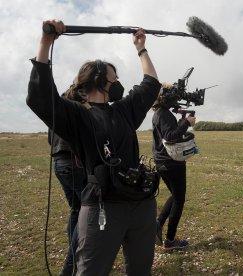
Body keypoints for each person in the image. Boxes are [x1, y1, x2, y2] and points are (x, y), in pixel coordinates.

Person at [27, 19, 161, 275]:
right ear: (99, 80)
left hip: (142, 204)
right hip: (103, 207)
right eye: (115, 78)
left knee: (141, 269)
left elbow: (151, 85)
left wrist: (141, 48)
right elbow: (41, 96)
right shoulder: (76, 115)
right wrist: (45, 42)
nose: (119, 82)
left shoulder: (123, 110)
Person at [151, 86, 196, 250]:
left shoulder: (160, 113)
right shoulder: (163, 114)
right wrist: (186, 123)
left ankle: (158, 224)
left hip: (162, 161)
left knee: (175, 195)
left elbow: (168, 133)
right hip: (171, 162)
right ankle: (170, 241)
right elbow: (170, 137)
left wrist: (181, 122)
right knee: (179, 199)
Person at [49, 129, 86, 276]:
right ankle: (70, 265)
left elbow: (50, 140)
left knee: (76, 210)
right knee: (88, 210)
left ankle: (74, 255)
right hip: (74, 163)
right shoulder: (75, 107)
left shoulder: (56, 109)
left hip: (59, 163)